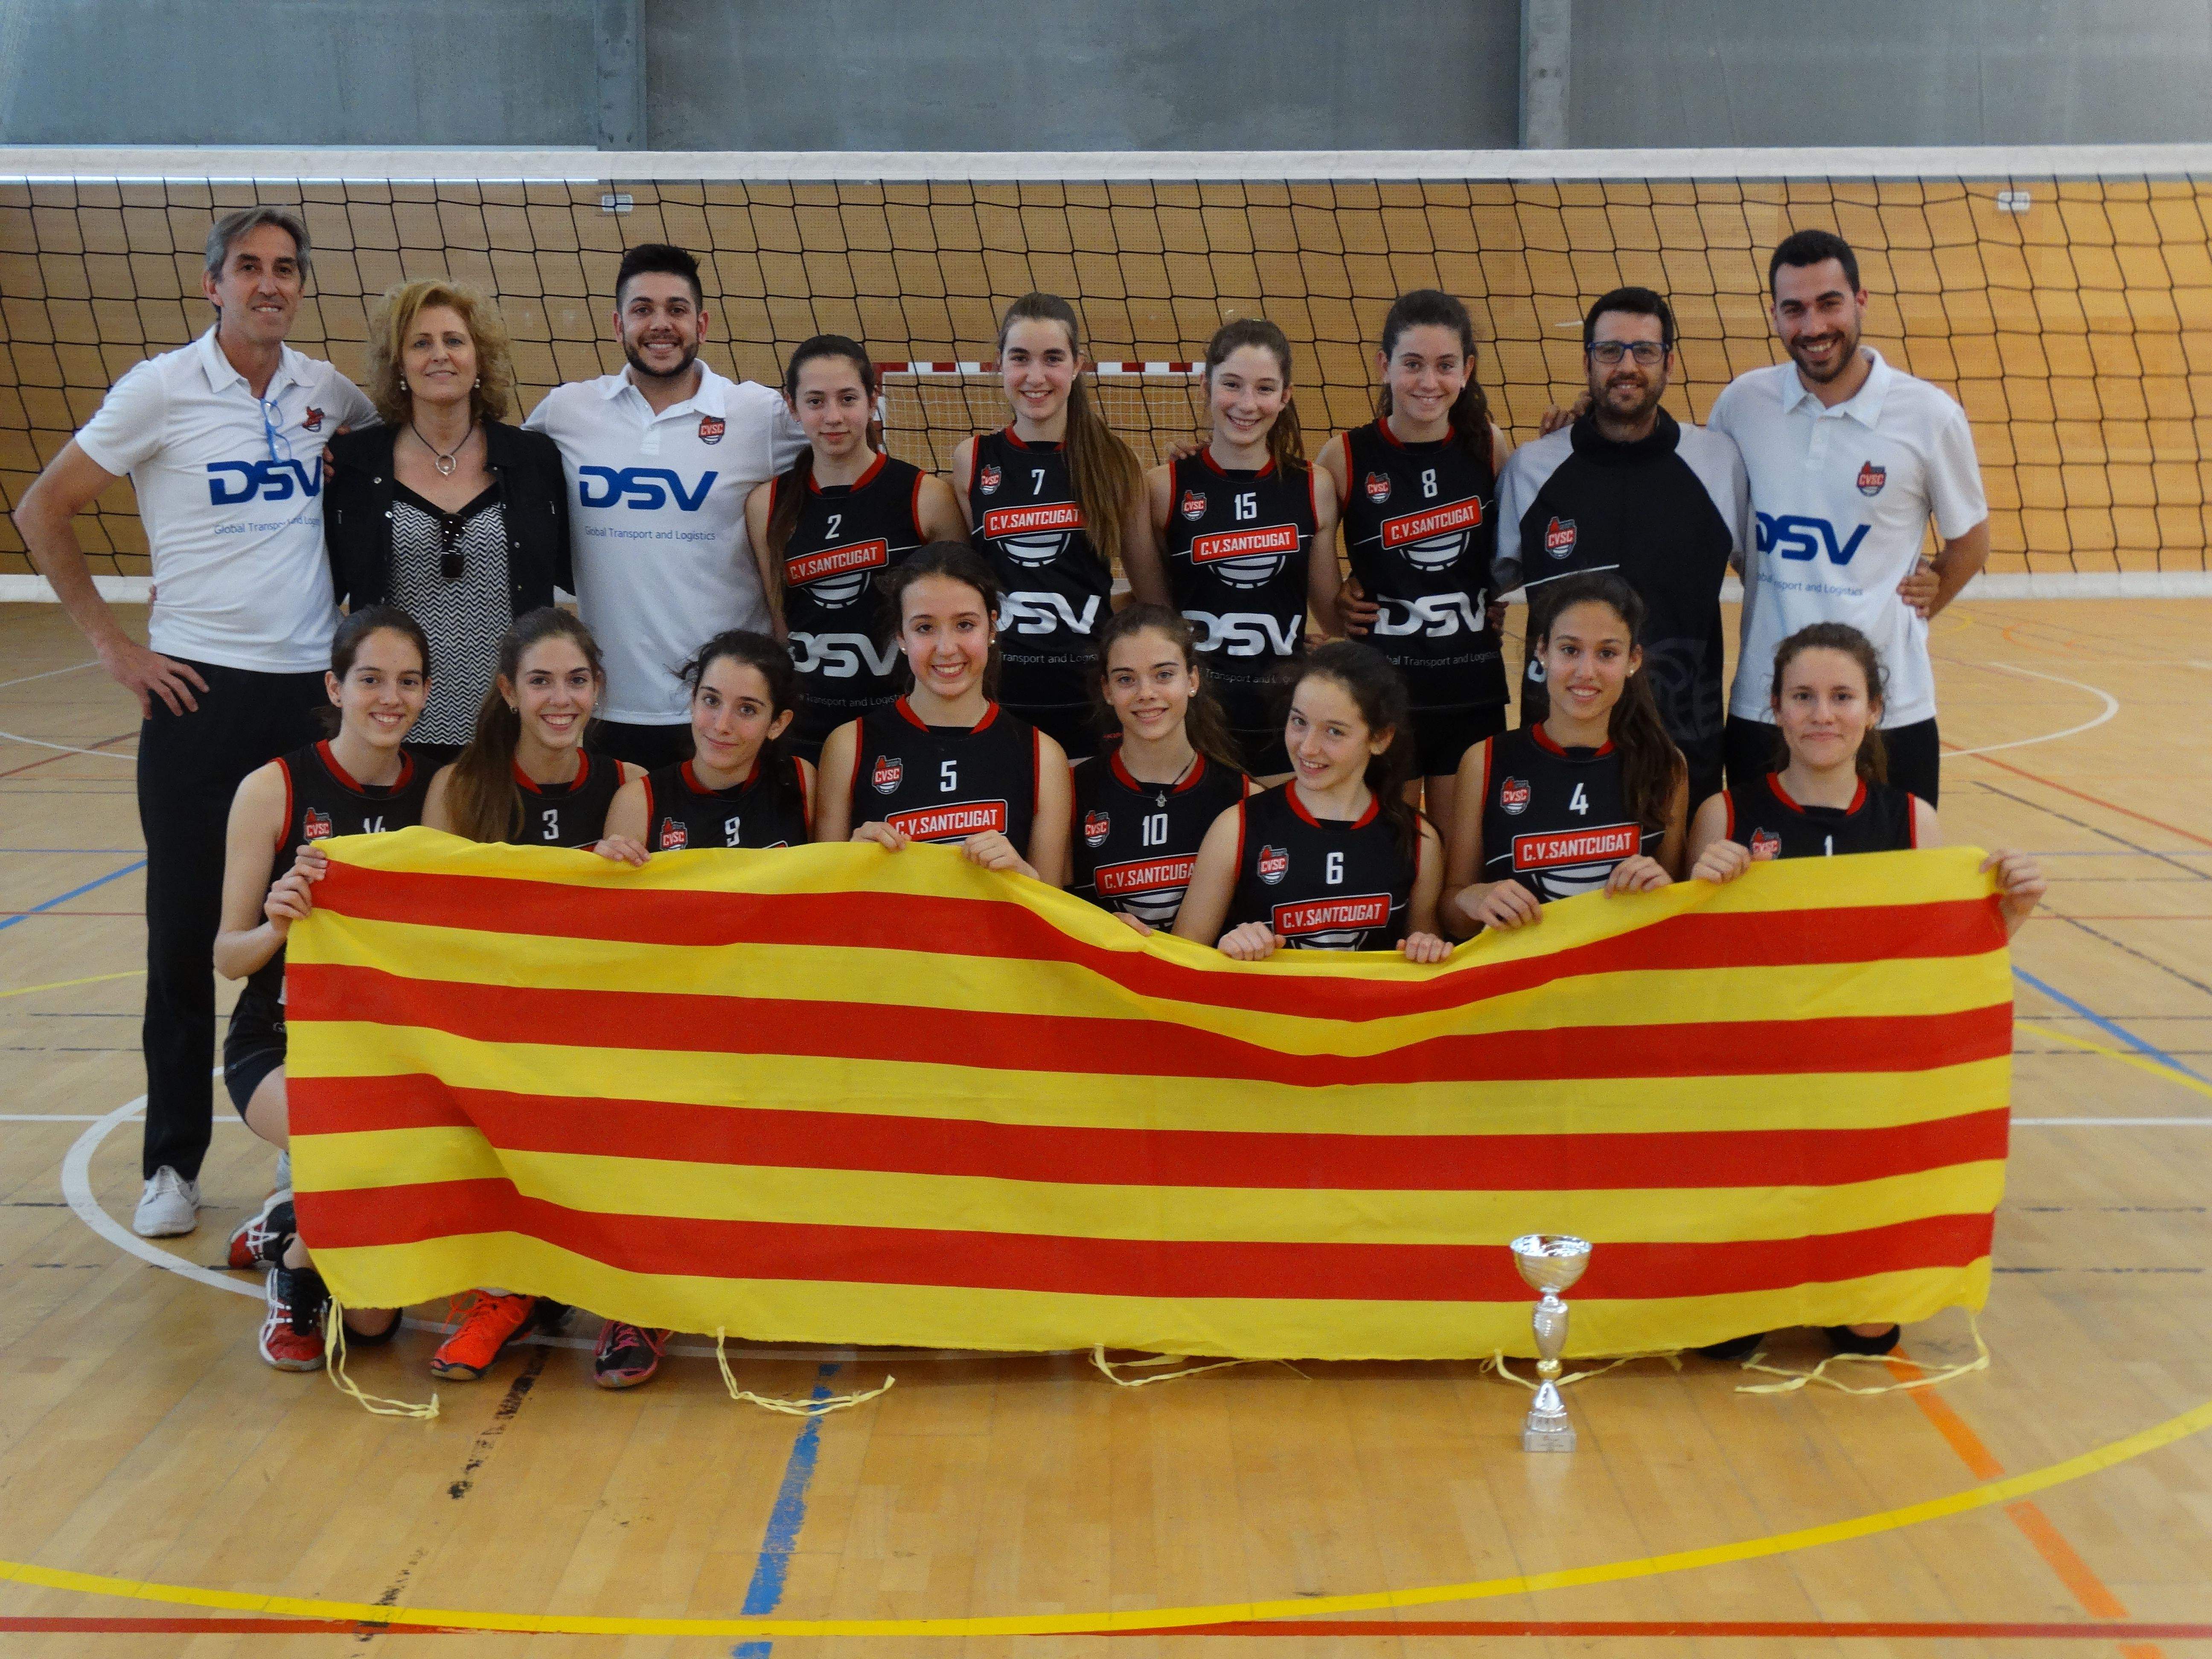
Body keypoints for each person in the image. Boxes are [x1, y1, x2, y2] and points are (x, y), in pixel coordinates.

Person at [13, 205, 378, 1239]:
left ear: (300, 287)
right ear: (213, 284)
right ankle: (171, 1162)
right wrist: (111, 644)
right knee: (181, 934)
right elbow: (42, 508)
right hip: (196, 697)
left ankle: (294, 1152)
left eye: (286, 270)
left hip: (307, 699)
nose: (270, 284)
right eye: (250, 268)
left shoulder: (326, 395)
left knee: (306, 930)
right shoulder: (159, 390)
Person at [1686, 620, 2043, 1361]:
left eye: (1841, 696)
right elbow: (1691, 977)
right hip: (1755, 1097)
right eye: (1803, 697)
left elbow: (1936, 973)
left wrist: (2009, 912)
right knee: (1723, 1343)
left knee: (1865, 1338)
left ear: (1874, 709)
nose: (1822, 714)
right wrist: (1699, 890)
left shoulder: (1911, 820)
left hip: (1861, 1097)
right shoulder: (1725, 816)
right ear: (1775, 709)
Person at [420, 608, 646, 1382]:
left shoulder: (630, 787)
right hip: (487, 1026)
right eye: (541, 681)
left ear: (598, 690)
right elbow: (427, 927)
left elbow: (630, 946)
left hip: (592, 1025)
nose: (562, 698)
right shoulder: (458, 787)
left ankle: (625, 1293)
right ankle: (503, 1289)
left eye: (577, 680)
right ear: (508, 692)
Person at [211, 606, 432, 1369]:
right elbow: (228, 955)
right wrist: (276, 922)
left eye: (407, 681)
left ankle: (288, 1224)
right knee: (357, 1141)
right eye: (369, 679)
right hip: (278, 1042)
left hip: (386, 1049)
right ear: (336, 685)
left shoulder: (435, 791)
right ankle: (296, 1268)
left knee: (373, 1323)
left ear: (428, 693)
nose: (388, 698)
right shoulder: (272, 790)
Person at [1717, 230, 1990, 807]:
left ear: (1861, 301)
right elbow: (1728, 533)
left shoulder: (1929, 415)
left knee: (1894, 886)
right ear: (1774, 315)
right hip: (1766, 705)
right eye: (1794, 309)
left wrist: (1921, 602)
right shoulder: (1741, 405)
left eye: (1829, 304)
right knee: (1763, 888)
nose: (1813, 327)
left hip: (1891, 706)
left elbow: (1970, 542)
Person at [523, 243, 807, 770]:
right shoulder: (569, 411)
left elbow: (846, 450)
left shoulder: (757, 414)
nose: (660, 324)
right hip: (610, 708)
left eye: (676, 310)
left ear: (701, 323)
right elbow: (490, 462)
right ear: (617, 324)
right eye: (643, 310)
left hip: (727, 713)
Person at [1496, 286, 1749, 809]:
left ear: (1669, 362)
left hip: (1684, 742)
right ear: (1587, 360)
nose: (1627, 365)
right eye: (1610, 350)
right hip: (1559, 744)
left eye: (1644, 351)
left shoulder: (1720, 463)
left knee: (1680, 889)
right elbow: (1478, 588)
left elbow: (1767, 579)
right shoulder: (1532, 468)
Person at [324, 278, 572, 768]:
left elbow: (568, 569)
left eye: (454, 341)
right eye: (421, 343)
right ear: (399, 365)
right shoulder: (352, 463)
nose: (440, 355)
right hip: (392, 725)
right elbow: (322, 584)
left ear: (479, 359)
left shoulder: (534, 459)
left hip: (509, 725)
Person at [1321, 290, 1512, 851]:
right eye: (1413, 364)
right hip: (1385, 696)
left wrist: (1496, 596)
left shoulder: (1489, 446)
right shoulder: (1346, 456)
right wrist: (1337, 601)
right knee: (1390, 851)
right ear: (1384, 366)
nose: (1429, 381)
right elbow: (1319, 591)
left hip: (1469, 691)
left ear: (1467, 370)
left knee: (1463, 856)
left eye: (1445, 366)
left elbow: (1517, 553)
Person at [1123, 319, 1340, 780]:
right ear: (1206, 385)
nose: (1246, 404)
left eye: (1265, 389)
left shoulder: (1312, 487)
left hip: (1285, 719)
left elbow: (1333, 612)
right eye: (1232, 385)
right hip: (1196, 721)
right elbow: (1156, 613)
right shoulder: (1162, 488)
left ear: (1285, 396)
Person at [742, 335, 965, 761]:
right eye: (815, 402)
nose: (833, 417)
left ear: (872, 397)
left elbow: (956, 623)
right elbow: (779, 623)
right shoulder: (766, 506)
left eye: (847, 399)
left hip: (901, 730)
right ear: (792, 406)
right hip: (805, 733)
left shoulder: (925, 496)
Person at [954, 293, 1149, 760]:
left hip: (1087, 702)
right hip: (999, 700)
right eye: (1020, 358)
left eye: (1053, 359)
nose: (1035, 377)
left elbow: (1150, 592)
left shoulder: (1113, 461)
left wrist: (1090, 609)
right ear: (998, 364)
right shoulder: (973, 460)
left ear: (1078, 365)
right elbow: (963, 590)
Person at [1174, 641, 1449, 961]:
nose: (1307, 748)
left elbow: (1427, 965)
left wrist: (1428, 950)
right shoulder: (1236, 828)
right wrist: (1229, 947)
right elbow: (1182, 959)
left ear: (1380, 739)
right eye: (1299, 722)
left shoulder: (1419, 841)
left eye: (1334, 732)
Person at [1441, 573, 1684, 935]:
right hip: (1521, 986)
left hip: (1621, 983)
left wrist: (1666, 892)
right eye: (1570, 650)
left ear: (1633, 660)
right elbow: (1453, 917)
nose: (1586, 672)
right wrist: (1473, 899)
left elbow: (1677, 911)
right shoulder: (1486, 760)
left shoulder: (1665, 765)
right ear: (1542, 652)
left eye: (1607, 653)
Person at [814, 544, 1072, 885]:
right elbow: (823, 900)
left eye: (965, 625)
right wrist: (852, 861)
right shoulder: (849, 745)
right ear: (901, 636)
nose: (947, 648)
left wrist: (1023, 876)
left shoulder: (1044, 755)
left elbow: (1055, 915)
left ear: (992, 628)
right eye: (925, 628)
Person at [1068, 605, 1252, 930]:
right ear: (1107, 691)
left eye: (1164, 675)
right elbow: (1051, 906)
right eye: (1126, 679)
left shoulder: (1244, 798)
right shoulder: (1071, 791)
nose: (1146, 694)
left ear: (1192, 680)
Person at [605, 629, 815, 855]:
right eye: (711, 700)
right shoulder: (638, 803)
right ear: (693, 701)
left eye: (747, 709)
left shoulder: (801, 780)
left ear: (778, 724)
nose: (721, 726)